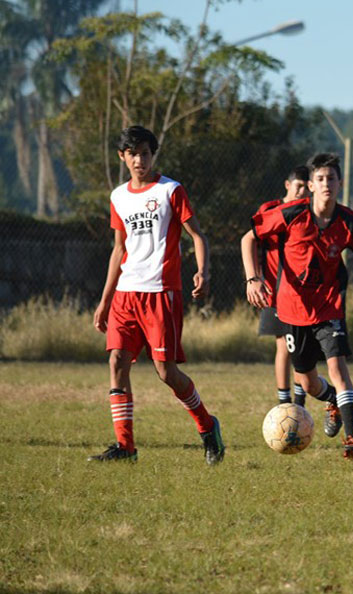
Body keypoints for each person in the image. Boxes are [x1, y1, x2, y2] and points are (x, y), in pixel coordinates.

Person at [242, 152, 353, 460]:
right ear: (311, 185)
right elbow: (248, 238)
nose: (326, 184)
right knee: (306, 381)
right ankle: (332, 400)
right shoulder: (290, 214)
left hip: (329, 309)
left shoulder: (349, 223)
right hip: (291, 311)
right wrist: (253, 278)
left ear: (340, 183)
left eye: (331, 178)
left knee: (337, 367)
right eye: (320, 179)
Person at [90, 125, 225, 465]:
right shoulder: (118, 196)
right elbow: (119, 249)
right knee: (117, 361)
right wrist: (105, 300)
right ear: (122, 157)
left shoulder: (170, 191)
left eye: (145, 153)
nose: (140, 160)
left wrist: (202, 272)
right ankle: (125, 447)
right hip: (125, 294)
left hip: (161, 293)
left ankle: (208, 428)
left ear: (153, 155)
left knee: (166, 372)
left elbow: (198, 236)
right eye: (133, 154)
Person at [245, 165, 310, 407]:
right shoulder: (269, 210)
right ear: (287, 184)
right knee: (283, 344)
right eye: (298, 186)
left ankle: (299, 400)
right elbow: (251, 241)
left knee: (300, 348)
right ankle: (285, 401)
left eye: (306, 187)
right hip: (273, 291)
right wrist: (255, 278)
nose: (303, 191)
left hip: (300, 294)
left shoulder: (308, 212)